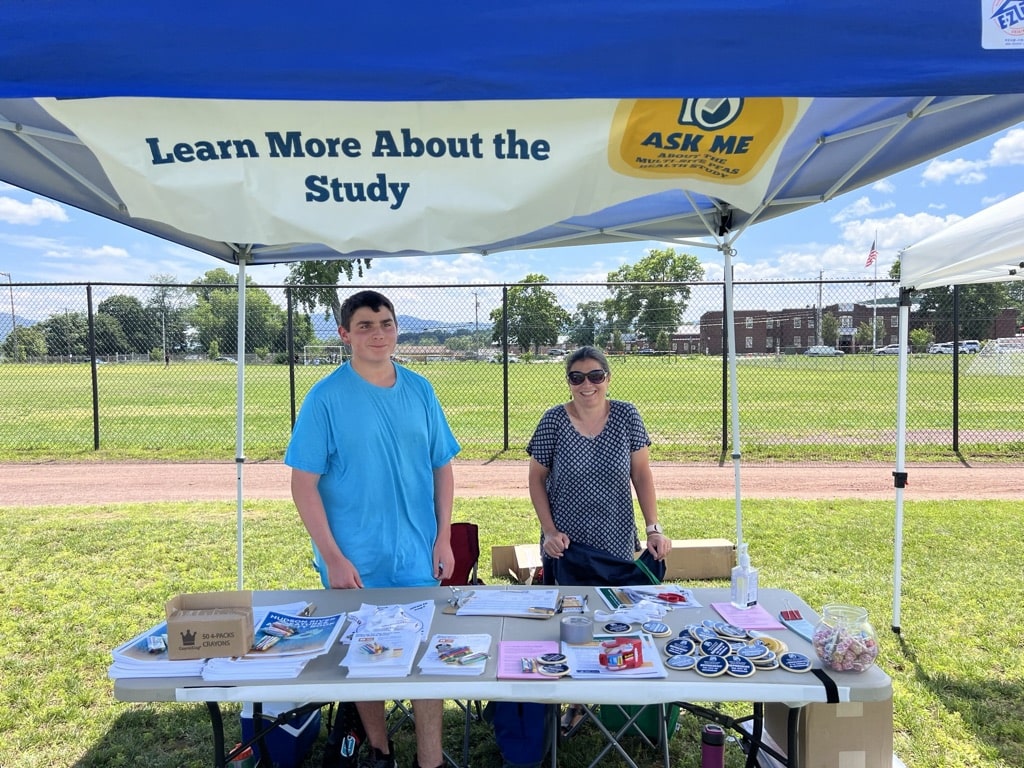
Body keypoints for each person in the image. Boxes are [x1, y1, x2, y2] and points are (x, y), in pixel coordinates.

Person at [285, 290, 460, 768]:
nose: (378, 333)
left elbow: (441, 467)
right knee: (364, 660)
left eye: (385, 323)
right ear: (345, 335)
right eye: (365, 325)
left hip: (416, 553)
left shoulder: (421, 389)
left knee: (426, 659)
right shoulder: (325, 398)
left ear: (397, 329)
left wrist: (443, 536)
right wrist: (333, 556)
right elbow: (303, 484)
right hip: (355, 559)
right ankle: (380, 752)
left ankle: (430, 759)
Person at [527, 345, 671, 576]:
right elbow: (536, 479)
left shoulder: (627, 416)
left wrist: (653, 529)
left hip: (615, 539)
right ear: (569, 382)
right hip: (565, 545)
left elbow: (642, 474)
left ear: (608, 378)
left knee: (616, 608)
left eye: (596, 376)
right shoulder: (553, 420)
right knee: (568, 608)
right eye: (577, 378)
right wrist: (550, 532)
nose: (587, 385)